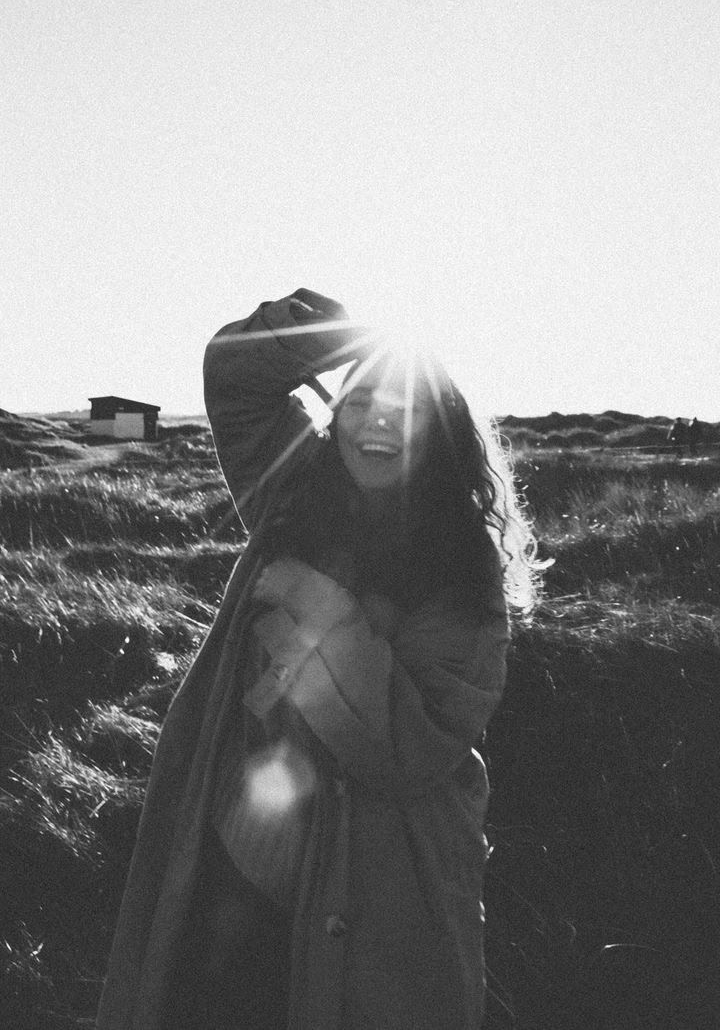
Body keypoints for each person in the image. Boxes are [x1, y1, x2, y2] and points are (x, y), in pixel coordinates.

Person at [97, 289, 538, 1030]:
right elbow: (235, 376)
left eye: (409, 406)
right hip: (230, 882)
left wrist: (315, 602)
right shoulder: (295, 494)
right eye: (362, 399)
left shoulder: (465, 576)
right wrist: (359, 331)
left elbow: (408, 746)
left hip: (378, 906)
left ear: (444, 432)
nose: (380, 419)